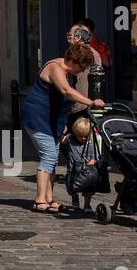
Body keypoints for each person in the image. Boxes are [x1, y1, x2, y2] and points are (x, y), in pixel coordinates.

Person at [21, 41, 102, 213]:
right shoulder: (55, 67)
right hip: (38, 118)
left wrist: (63, 122)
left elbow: (62, 99)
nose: (81, 71)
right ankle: (39, 200)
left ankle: (49, 199)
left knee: (52, 158)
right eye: (81, 67)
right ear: (74, 62)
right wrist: (92, 102)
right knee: (48, 156)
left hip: (51, 121)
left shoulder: (67, 72)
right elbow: (66, 92)